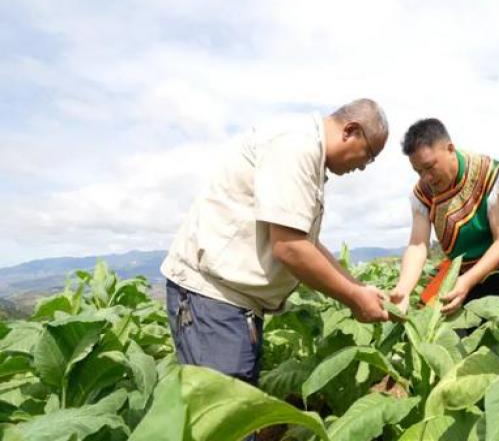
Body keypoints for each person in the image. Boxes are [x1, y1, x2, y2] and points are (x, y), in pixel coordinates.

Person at [161, 98, 391, 397]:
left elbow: (304, 241)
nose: (362, 167)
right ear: (350, 130)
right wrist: (354, 299)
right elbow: (290, 248)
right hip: (212, 301)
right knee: (225, 422)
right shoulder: (296, 145)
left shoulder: (306, 151)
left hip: (233, 306)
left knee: (236, 414)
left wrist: (360, 287)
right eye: (369, 155)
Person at [389, 118, 499, 316]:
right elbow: (418, 244)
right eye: (418, 171)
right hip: (460, 277)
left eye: (430, 166)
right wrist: (404, 290)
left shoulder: (489, 173)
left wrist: (467, 282)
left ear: (450, 148)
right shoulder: (422, 193)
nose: (426, 178)